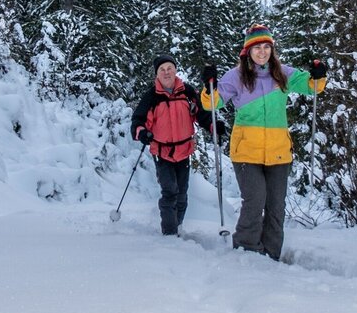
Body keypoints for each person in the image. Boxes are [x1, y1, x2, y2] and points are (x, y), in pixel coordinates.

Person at [200, 24, 327, 260]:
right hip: (247, 151)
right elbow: (212, 103)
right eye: (257, 47)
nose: (262, 52)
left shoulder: (282, 73)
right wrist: (209, 86)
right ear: (247, 51)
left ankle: (271, 256)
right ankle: (247, 251)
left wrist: (318, 76)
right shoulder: (236, 76)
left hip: (278, 151)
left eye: (266, 47)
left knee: (276, 206)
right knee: (255, 200)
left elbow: (312, 87)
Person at [130, 54, 219, 236]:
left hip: (184, 150)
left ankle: (177, 226)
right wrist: (142, 132)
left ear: (175, 70)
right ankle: (169, 234)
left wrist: (212, 125)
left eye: (169, 68)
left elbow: (200, 114)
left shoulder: (187, 92)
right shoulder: (152, 96)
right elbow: (137, 120)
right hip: (162, 151)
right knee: (170, 191)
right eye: (162, 70)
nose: (166, 72)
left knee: (182, 194)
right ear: (157, 74)